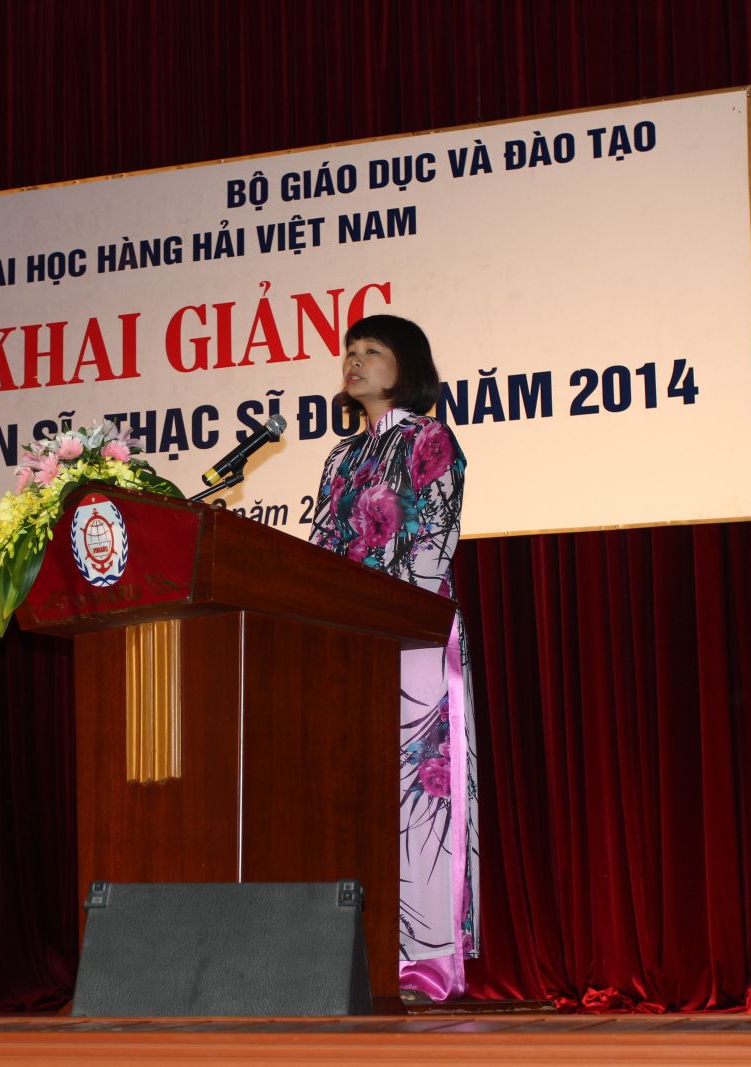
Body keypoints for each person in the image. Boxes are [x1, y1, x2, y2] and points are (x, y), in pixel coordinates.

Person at [308, 314, 478, 1003]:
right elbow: (321, 548)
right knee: (353, 793)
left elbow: (435, 540)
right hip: (347, 644)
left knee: (420, 801)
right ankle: (356, 955)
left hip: (410, 638)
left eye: (371, 350)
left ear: (405, 365)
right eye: (349, 351)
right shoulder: (341, 456)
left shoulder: (428, 439)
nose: (354, 360)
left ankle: (425, 964)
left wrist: (384, 614)